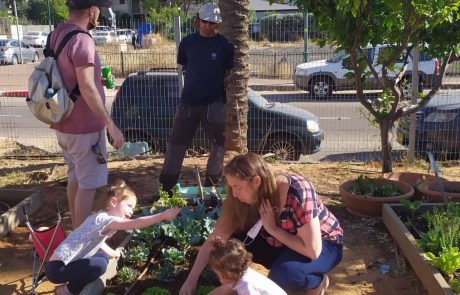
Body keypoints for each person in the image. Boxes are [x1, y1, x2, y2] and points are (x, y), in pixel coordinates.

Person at [180, 153, 343, 295]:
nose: (234, 194)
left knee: (284, 275)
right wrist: (191, 280)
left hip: (324, 245)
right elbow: (216, 237)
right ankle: (239, 284)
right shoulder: (242, 199)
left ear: (256, 181)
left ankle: (316, 282)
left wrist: (273, 229)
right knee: (230, 245)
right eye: (231, 188)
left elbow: (313, 250)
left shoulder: (297, 191)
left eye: (238, 187)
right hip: (282, 243)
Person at [50, 0, 124, 229]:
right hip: (85, 128)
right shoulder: (82, 39)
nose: (99, 15)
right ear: (92, 11)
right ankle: (80, 241)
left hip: (64, 123)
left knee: (76, 177)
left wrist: (94, 81)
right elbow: (87, 88)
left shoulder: (58, 33)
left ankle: (75, 230)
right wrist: (111, 126)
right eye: (99, 10)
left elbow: (69, 76)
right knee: (89, 184)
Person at [45, 180, 181, 295]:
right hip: (58, 269)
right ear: (114, 202)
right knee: (99, 266)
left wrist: (114, 253)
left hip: (63, 264)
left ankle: (72, 282)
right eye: (129, 206)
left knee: (103, 258)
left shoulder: (99, 217)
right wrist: (162, 216)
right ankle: (66, 290)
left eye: (133, 208)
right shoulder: (106, 220)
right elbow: (136, 223)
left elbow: (96, 241)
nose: (132, 211)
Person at [158, 2, 235, 196]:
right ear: (198, 20)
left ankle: (211, 187)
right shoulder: (187, 43)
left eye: (213, 23)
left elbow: (227, 71)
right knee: (176, 144)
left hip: (214, 103)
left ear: (217, 24)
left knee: (219, 145)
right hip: (188, 103)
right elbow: (184, 66)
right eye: (205, 22)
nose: (208, 26)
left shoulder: (225, 46)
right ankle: (166, 188)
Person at [207, 237, 287, 295]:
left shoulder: (246, 287)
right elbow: (222, 290)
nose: (219, 280)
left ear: (229, 274)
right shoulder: (242, 273)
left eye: (219, 276)